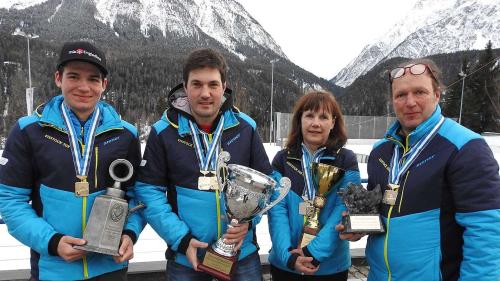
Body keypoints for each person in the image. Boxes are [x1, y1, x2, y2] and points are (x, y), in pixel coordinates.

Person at [337, 58, 500, 281]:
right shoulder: (381, 151)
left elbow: (487, 234)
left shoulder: (466, 147)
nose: (410, 102)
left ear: (437, 95)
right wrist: (361, 227)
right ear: (392, 101)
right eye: (401, 95)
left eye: (419, 92)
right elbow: (384, 214)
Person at [0, 41, 144, 281]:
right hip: (53, 269)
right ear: (59, 78)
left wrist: (130, 233)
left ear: (104, 84)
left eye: (93, 79)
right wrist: (52, 242)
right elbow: (10, 201)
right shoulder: (28, 131)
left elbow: (138, 197)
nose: (84, 87)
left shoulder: (125, 134)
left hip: (111, 267)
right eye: (74, 76)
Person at [134, 48, 273, 281]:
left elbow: (270, 184)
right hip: (186, 256)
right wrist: (181, 239)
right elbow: (148, 192)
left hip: (241, 253)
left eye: (213, 85)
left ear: (224, 86)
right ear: (185, 87)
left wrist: (249, 222)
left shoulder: (245, 128)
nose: (205, 93)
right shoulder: (163, 132)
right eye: (197, 84)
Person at [267, 91, 361, 281]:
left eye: (323, 117)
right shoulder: (282, 159)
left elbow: (342, 210)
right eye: (309, 115)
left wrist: (313, 252)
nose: (315, 123)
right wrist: (289, 256)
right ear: (300, 119)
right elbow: (277, 213)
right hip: (286, 265)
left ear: (333, 122)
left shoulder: (346, 159)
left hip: (330, 267)